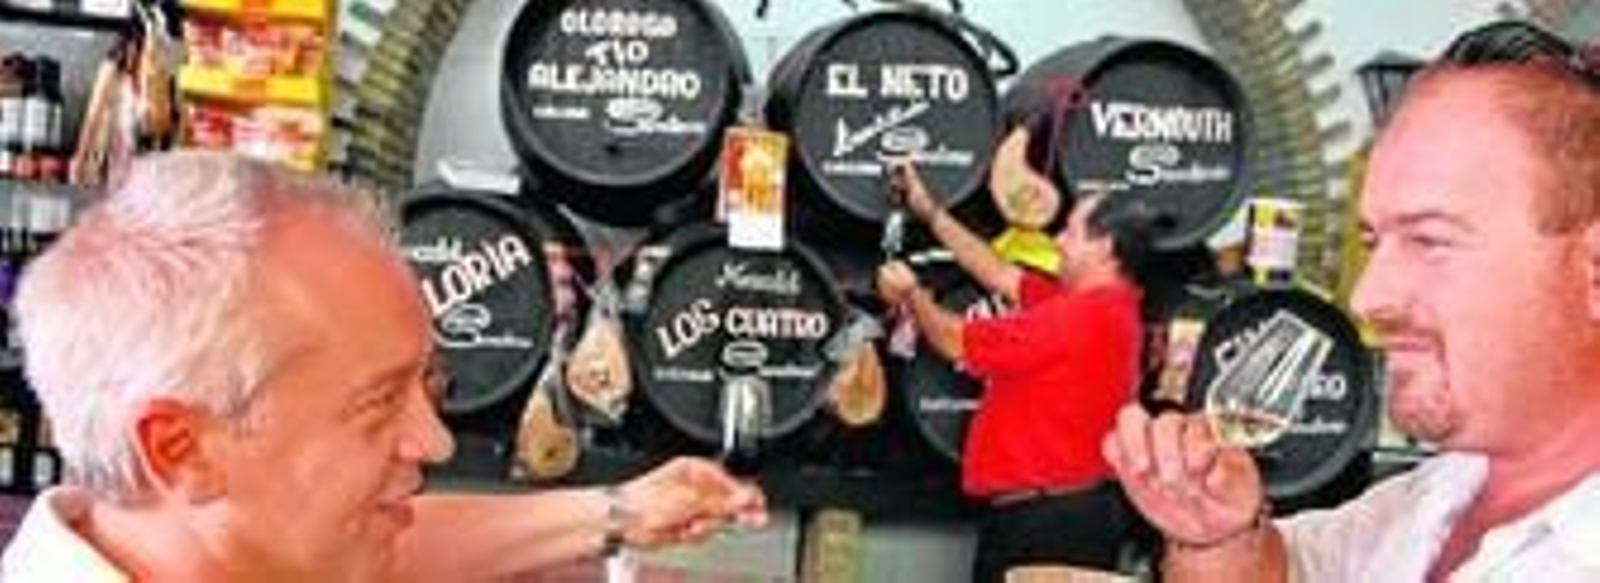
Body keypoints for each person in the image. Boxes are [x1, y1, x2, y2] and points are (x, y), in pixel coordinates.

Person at [0, 151, 767, 582]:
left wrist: (622, 512)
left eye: (424, 384)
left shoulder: (248, 546)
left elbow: (399, 544)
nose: (435, 443)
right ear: (181, 447)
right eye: (375, 403)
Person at [1102, 20, 1600, 582]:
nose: (1368, 299)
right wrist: (1216, 537)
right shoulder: (1441, 493)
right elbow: (1285, 571)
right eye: (1372, 241)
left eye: (1429, 240)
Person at [876, 157, 1158, 581]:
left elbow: (955, 339)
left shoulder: (1083, 319)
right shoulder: (1099, 309)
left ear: (1104, 247)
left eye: (1071, 231)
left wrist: (911, 294)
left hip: (1048, 525)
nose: (1058, 241)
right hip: (1058, 513)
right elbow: (999, 273)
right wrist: (930, 211)